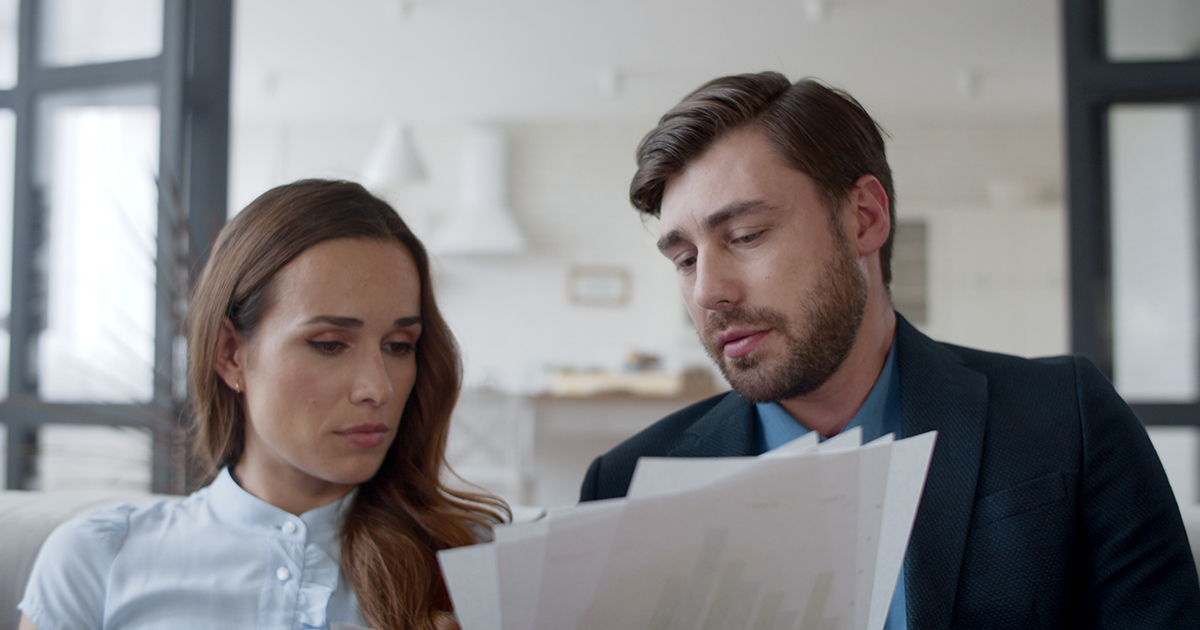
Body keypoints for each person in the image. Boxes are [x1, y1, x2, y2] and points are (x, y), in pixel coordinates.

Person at [580, 72, 1200, 628]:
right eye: (685, 260)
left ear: (864, 218)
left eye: (745, 236)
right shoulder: (626, 485)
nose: (708, 291)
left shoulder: (1069, 418)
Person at [18, 179, 506, 630]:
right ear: (231, 354)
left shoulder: (477, 564)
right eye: (330, 344)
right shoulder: (98, 557)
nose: (376, 388)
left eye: (399, 345)